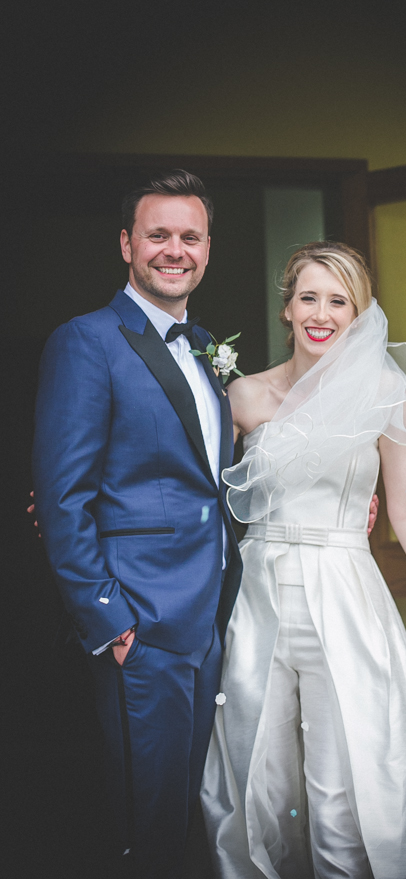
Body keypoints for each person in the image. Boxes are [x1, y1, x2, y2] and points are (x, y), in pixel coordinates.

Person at [200, 241, 406, 878]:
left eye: (340, 301)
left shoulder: (383, 393)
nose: (322, 313)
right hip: (260, 598)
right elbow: (197, 494)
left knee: (344, 791)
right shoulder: (244, 397)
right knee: (256, 782)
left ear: (359, 316)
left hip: (347, 595)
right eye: (309, 297)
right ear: (288, 308)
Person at [32, 170, 243, 879]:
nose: (173, 249)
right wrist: (112, 623)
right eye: (158, 234)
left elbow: (212, 481)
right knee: (143, 828)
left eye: (189, 235)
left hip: (208, 621)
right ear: (127, 243)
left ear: (208, 247)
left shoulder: (208, 347)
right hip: (142, 624)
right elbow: (62, 496)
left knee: (185, 818)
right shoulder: (86, 341)